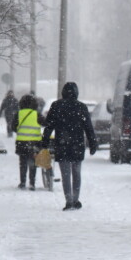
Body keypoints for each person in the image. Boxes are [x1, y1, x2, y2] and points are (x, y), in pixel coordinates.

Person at [41, 81, 97, 211]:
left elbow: (49, 126)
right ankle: (76, 199)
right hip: (77, 144)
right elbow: (88, 127)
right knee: (76, 172)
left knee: (65, 174)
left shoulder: (56, 106)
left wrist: (44, 142)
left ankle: (69, 200)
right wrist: (93, 143)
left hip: (62, 144)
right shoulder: (81, 107)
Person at [13, 94, 45, 190]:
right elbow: (45, 123)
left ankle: (22, 182)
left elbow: (13, 127)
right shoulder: (37, 114)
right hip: (34, 142)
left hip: (21, 142)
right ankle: (32, 183)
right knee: (33, 162)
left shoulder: (18, 114)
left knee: (22, 162)